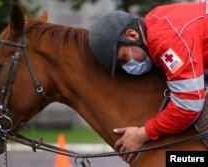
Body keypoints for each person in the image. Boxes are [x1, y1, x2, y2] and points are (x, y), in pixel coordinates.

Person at [88, 1, 208, 162]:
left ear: (132, 35)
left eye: (124, 59)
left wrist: (141, 134)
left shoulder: (166, 40)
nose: (127, 67)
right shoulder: (154, 20)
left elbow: (188, 106)